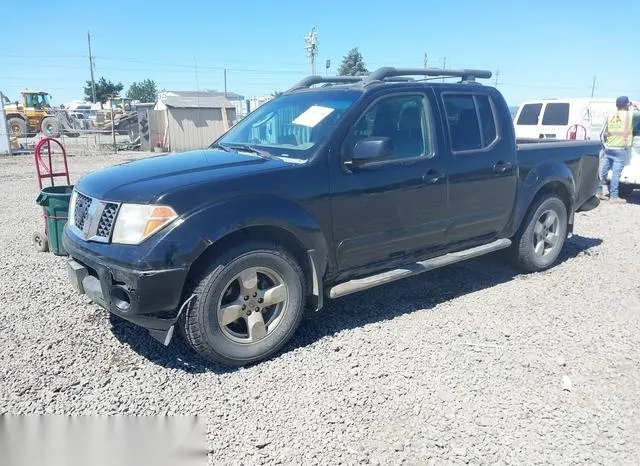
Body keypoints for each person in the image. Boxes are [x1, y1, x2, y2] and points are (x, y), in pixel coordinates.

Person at [598, 96, 635, 203]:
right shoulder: (629, 114)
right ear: (627, 104)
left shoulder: (611, 114)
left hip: (609, 147)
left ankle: (599, 192)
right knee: (616, 173)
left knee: (603, 170)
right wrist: (634, 105)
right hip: (620, 148)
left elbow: (603, 131)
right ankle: (614, 197)